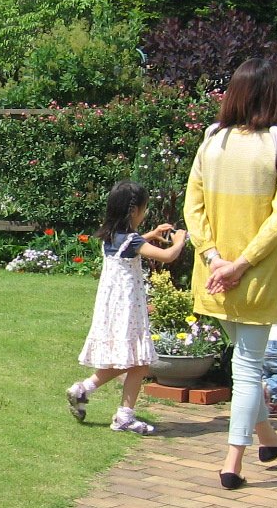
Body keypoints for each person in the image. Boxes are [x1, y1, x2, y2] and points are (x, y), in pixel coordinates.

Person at [183, 57, 277, 489]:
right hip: (258, 275)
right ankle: (233, 460)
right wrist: (241, 263)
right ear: (274, 95)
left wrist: (215, 257)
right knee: (250, 367)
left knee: (244, 360)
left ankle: (268, 437)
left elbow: (192, 209)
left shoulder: (211, 142)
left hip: (212, 274)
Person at [66, 180, 188, 432]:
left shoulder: (110, 237)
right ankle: (124, 416)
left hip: (112, 309)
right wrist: (180, 240)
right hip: (129, 309)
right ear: (134, 211)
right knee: (138, 362)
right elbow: (167, 256)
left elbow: (127, 247)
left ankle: (83, 390)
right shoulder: (131, 240)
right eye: (143, 208)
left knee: (128, 361)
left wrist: (150, 235)